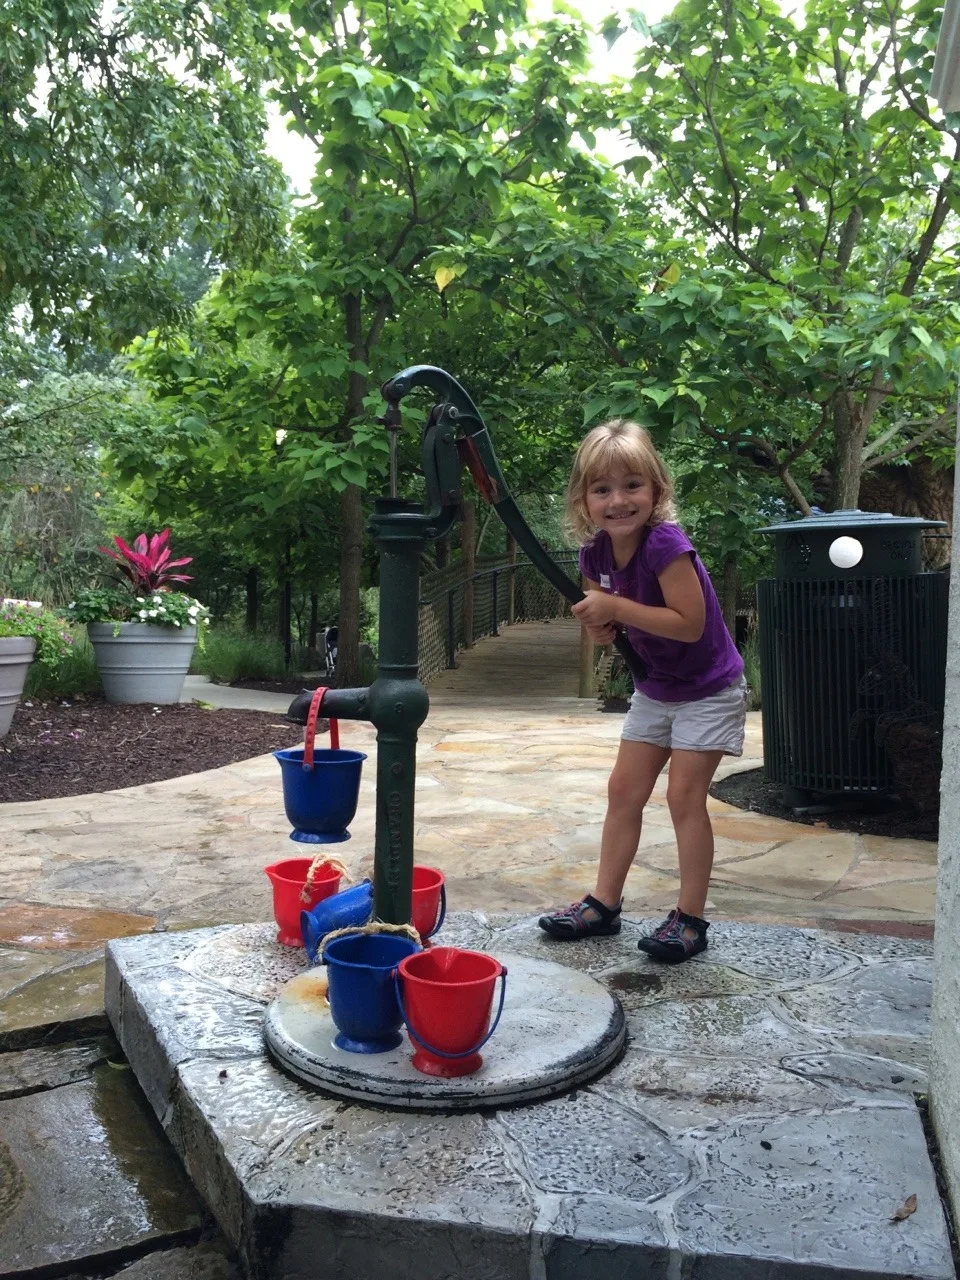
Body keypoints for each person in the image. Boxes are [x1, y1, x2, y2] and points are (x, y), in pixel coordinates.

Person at [538, 419, 746, 962]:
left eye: (633, 485)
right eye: (602, 489)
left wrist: (617, 611)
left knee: (683, 798)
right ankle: (605, 905)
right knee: (623, 791)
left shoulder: (665, 545)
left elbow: (689, 624)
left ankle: (690, 918)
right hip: (657, 689)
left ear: (656, 490)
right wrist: (601, 627)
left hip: (707, 689)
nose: (618, 500)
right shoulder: (595, 556)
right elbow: (606, 619)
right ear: (583, 502)